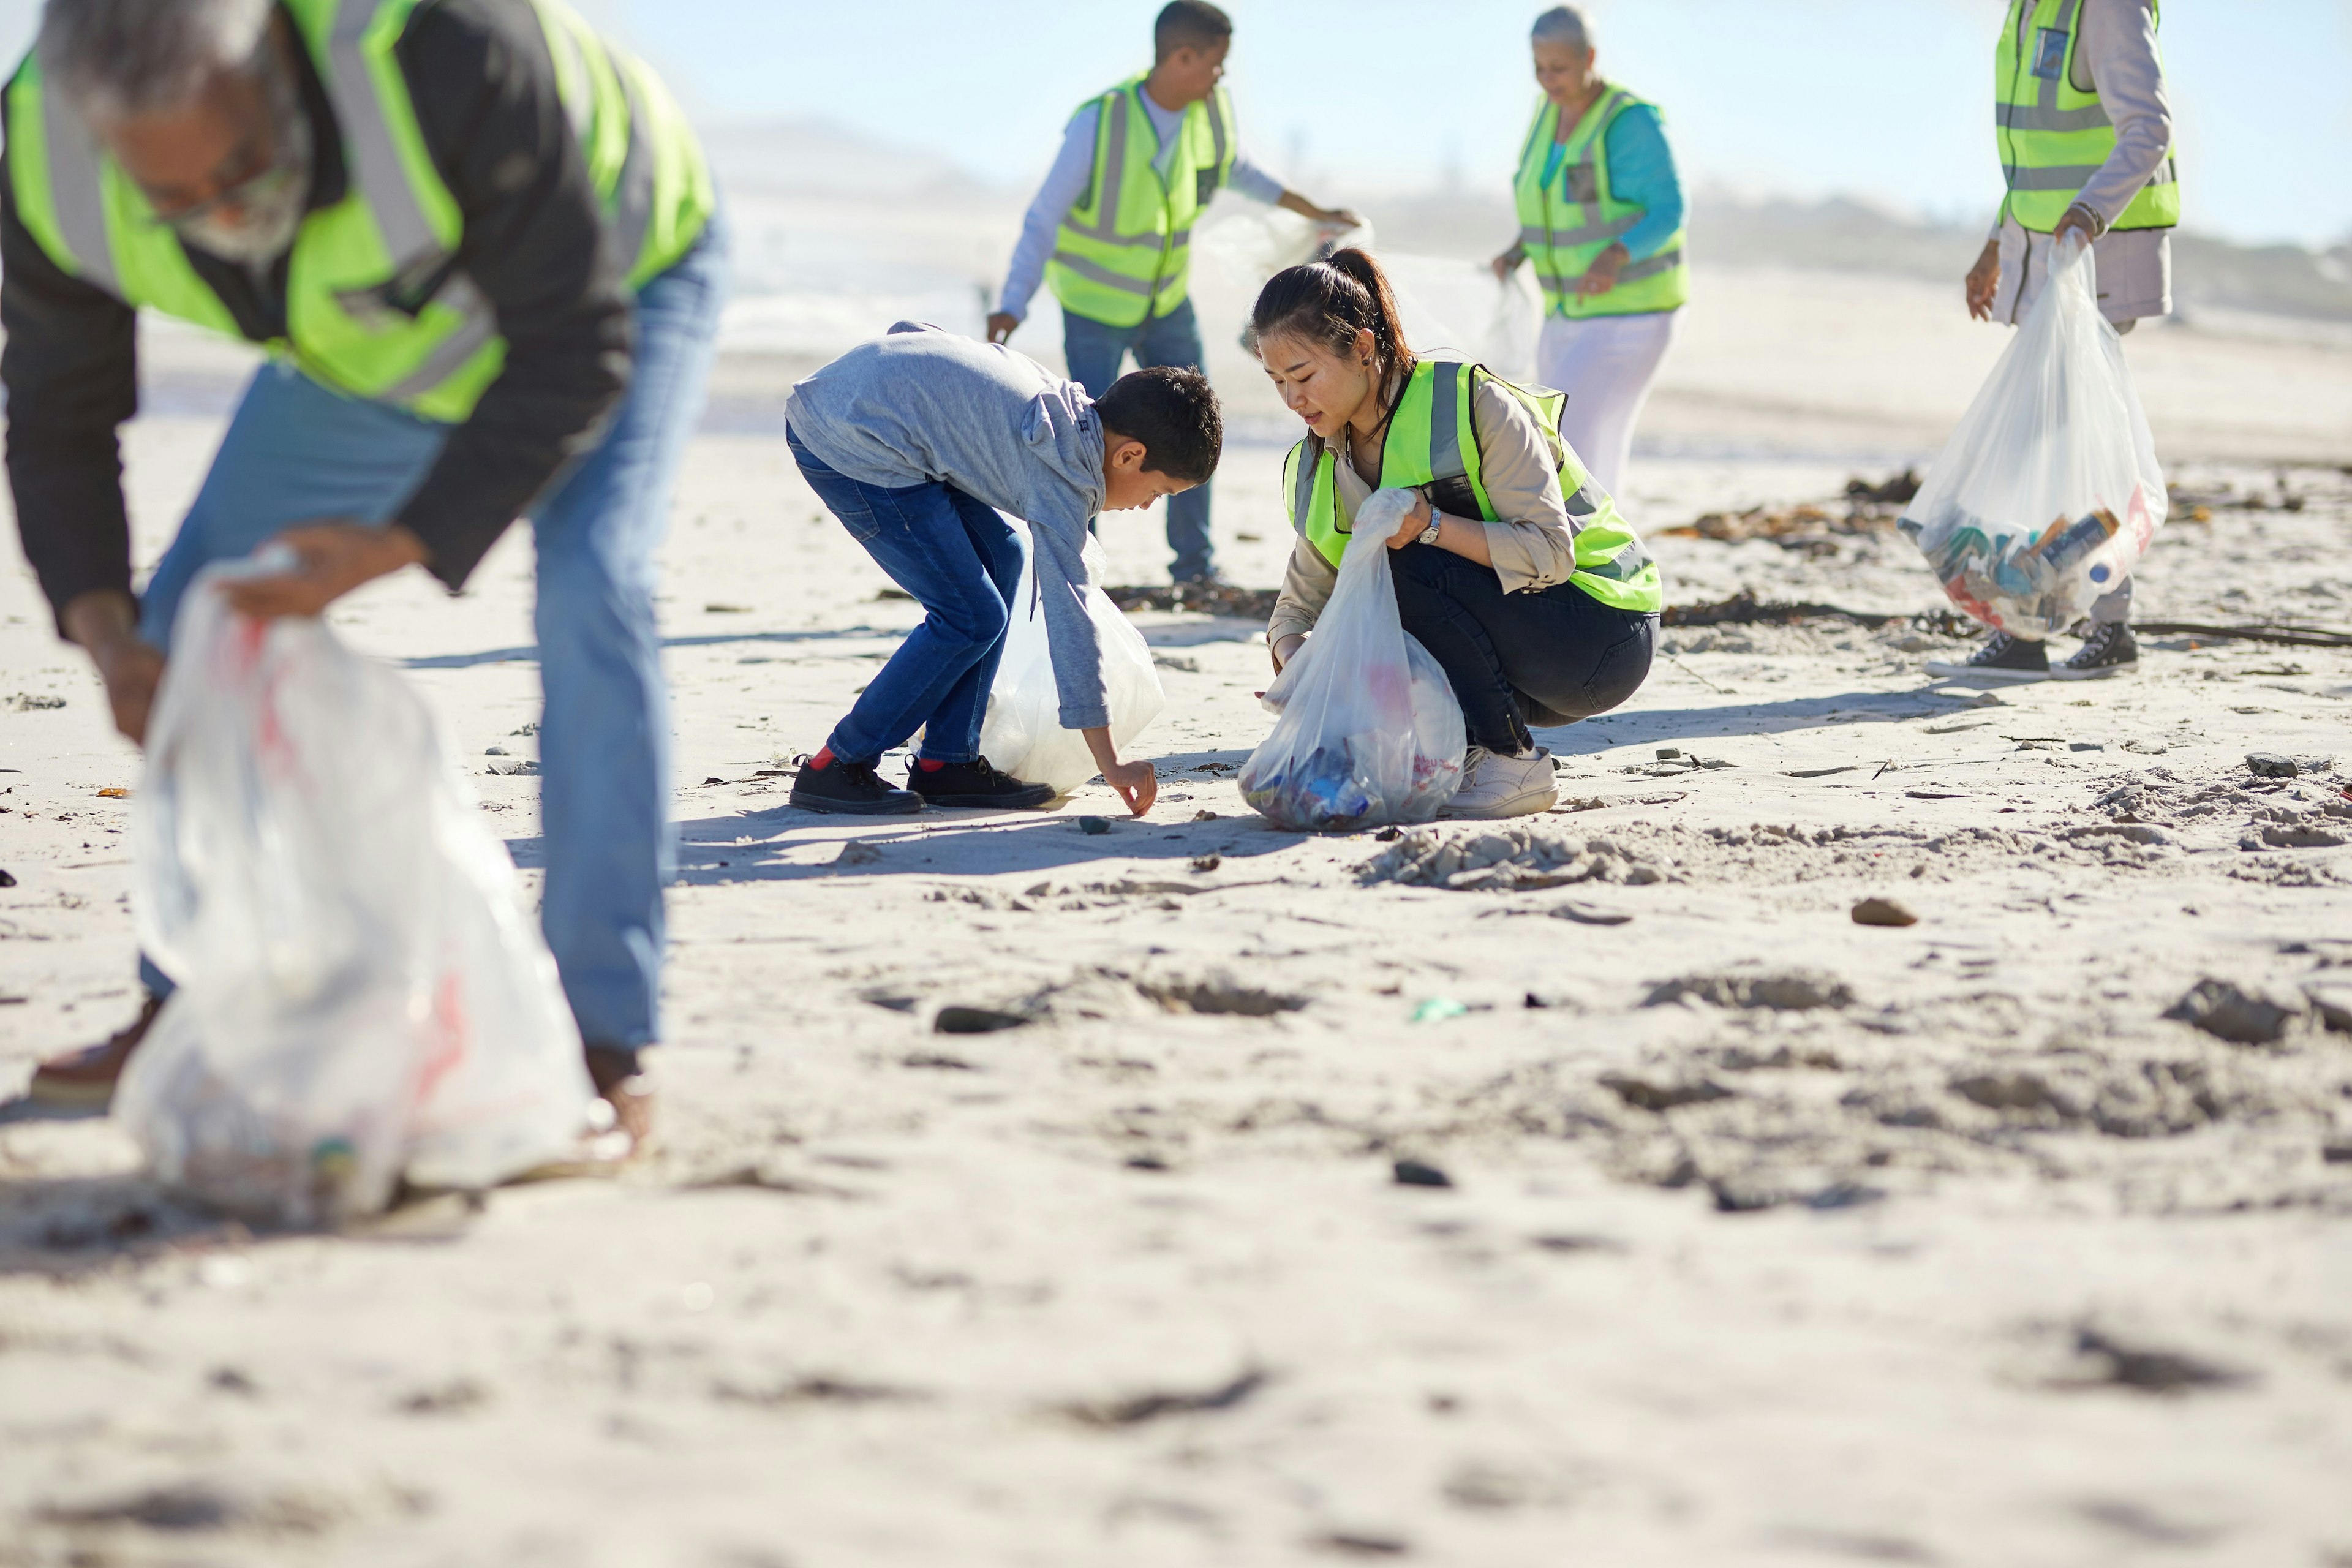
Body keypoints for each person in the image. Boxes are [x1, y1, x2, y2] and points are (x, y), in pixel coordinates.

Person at [8, 0, 725, 1154]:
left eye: (241, 167)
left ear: (275, 67)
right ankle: (188, 1002)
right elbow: (55, 414)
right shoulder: (45, 150)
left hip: (621, 267)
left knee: (594, 585)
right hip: (372, 336)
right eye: (176, 202)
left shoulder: (438, 45)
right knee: (195, 614)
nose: (224, 213)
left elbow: (570, 344)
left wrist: (402, 541)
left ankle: (601, 1042)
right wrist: (105, 634)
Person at [1257, 250, 1661, 820]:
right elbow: (1296, 608)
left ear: (1365, 349)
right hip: (1513, 661)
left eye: (1303, 376)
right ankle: (1469, 754)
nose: (1293, 400)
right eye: (1276, 382)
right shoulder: (1319, 463)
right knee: (1369, 602)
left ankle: (1510, 760)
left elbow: (1550, 553)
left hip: (1602, 632)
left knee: (1401, 565)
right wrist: (1296, 662)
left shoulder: (1469, 403)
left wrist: (1433, 527)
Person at [984, 0, 1355, 587]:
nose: (1221, 76)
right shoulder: (1100, 121)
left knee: (1194, 426)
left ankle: (1195, 568)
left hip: (1166, 302)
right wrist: (1013, 301)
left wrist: (1314, 211)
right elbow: (1044, 217)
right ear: (1183, 57)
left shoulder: (1209, 114)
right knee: (1090, 441)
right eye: (1215, 64)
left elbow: (1242, 172)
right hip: (1095, 307)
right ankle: (1079, 571)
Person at [784, 324, 1220, 819]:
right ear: (1129, 455)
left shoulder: (1069, 413)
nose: (1146, 507)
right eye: (1157, 494)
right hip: (848, 441)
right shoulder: (1063, 480)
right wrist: (1111, 762)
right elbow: (1072, 626)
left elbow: (918, 335)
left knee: (1006, 555)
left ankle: (946, 762)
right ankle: (836, 765)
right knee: (970, 615)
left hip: (869, 404)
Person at [1933, 0, 2177, 684]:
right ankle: (2047, 626)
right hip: (2045, 251)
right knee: (2056, 443)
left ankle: (2082, 625)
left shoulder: (2104, 6)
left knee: (2067, 444)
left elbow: (2149, 128)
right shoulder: (2032, 9)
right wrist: (1994, 246)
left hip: (2095, 255)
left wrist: (2091, 214)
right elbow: (2035, 157)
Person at [1489, 4, 1686, 500]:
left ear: (1590, 57)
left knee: (1563, 441)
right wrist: (1518, 251)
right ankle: (1603, 557)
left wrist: (1615, 256)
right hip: (1564, 312)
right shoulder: (1545, 113)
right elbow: (1550, 205)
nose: (1547, 80)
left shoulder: (1629, 122)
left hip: (1632, 315)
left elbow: (1669, 210)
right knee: (1586, 448)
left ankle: (1575, 554)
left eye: (1559, 68)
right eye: (1539, 68)